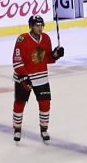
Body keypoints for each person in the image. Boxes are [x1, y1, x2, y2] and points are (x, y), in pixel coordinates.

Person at [12, 14, 63, 142]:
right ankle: (17, 129)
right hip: (24, 78)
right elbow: (17, 61)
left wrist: (56, 54)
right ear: (31, 26)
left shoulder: (46, 38)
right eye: (36, 25)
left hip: (41, 77)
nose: (39, 28)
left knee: (45, 104)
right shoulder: (22, 39)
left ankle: (44, 129)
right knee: (20, 103)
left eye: (41, 25)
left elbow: (48, 58)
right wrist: (24, 76)